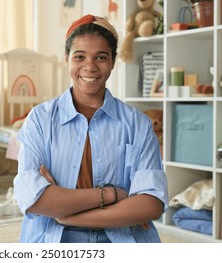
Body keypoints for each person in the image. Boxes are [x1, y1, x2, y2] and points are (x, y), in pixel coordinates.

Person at [13, 14, 168, 243]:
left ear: (113, 61)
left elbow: (151, 204)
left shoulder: (138, 124)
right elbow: (34, 199)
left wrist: (67, 215)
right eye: (80, 56)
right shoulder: (40, 119)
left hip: (121, 240)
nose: (90, 66)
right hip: (53, 239)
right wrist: (112, 195)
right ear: (66, 58)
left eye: (101, 57)